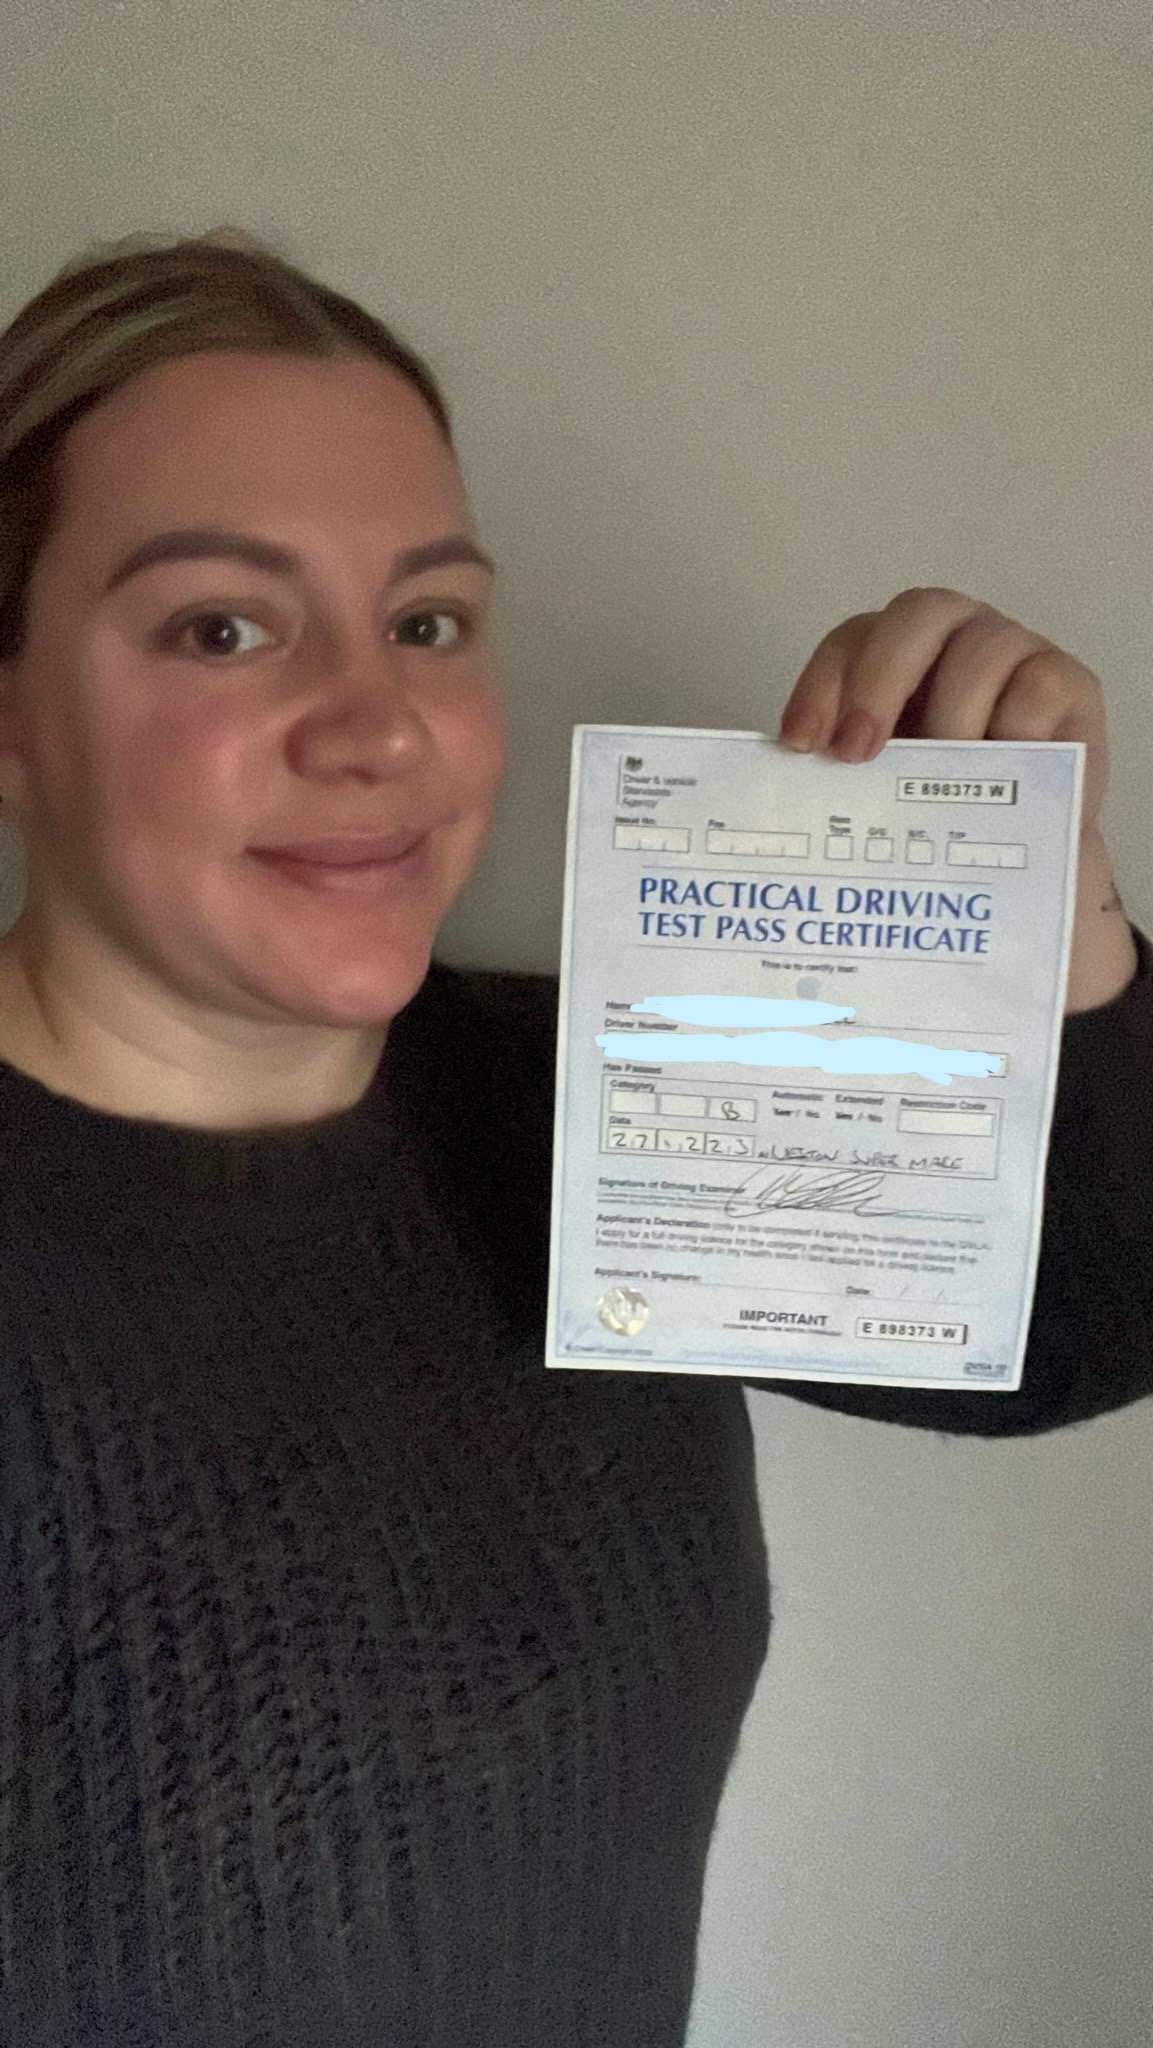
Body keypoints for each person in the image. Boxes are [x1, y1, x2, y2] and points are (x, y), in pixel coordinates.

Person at [0, 227, 1147, 2048]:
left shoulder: (595, 1088)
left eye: (426, 622)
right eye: (223, 626)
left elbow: (1072, 1329)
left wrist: (1045, 888)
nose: (377, 726)